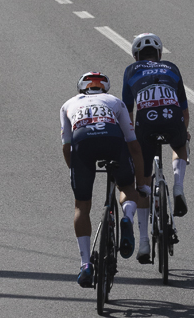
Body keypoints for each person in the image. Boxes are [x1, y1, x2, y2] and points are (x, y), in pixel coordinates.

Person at [60, 70, 144, 289]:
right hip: (112, 139)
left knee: (81, 206)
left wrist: (76, 172)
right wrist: (141, 182)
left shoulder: (68, 104)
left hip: (82, 142)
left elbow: (66, 146)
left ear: (82, 89)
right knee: (126, 185)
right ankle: (127, 217)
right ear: (104, 88)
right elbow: (133, 143)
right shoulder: (114, 101)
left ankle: (85, 264)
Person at [121, 33, 190, 263]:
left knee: (143, 184)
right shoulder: (171, 67)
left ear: (136, 55)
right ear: (159, 54)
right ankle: (178, 187)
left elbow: (127, 110)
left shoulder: (131, 71)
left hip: (145, 122)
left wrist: (130, 139)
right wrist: (183, 132)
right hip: (172, 118)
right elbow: (184, 110)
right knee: (180, 144)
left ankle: (143, 244)